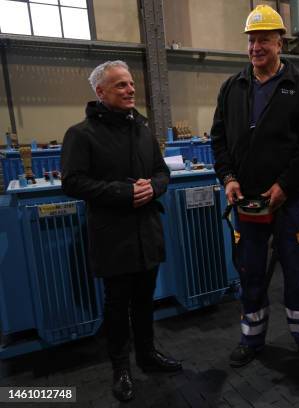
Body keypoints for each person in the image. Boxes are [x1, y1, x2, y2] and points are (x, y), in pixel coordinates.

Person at [211, 5, 299, 368]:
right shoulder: (232, 87)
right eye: (251, 40)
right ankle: (251, 338)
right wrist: (228, 178)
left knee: (296, 271)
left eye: (264, 39)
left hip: (287, 201)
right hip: (246, 202)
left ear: (280, 42)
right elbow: (218, 139)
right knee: (250, 273)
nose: (256, 46)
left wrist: (283, 186)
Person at [61, 60, 182, 402]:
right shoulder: (81, 135)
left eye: (130, 84)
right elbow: (72, 182)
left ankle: (147, 355)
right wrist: (123, 193)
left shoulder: (142, 131)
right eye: (120, 86)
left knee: (145, 300)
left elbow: (162, 173)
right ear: (100, 92)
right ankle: (121, 369)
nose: (130, 90)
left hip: (147, 232)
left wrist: (153, 188)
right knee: (117, 305)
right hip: (113, 236)